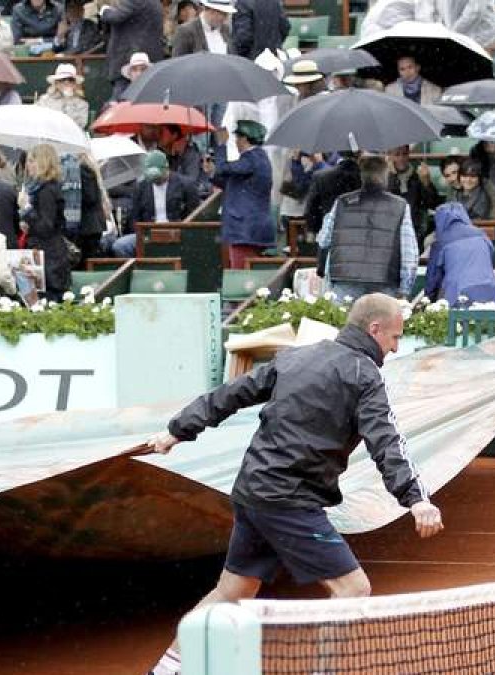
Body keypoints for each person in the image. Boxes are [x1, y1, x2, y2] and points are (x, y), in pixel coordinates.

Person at [141, 293, 443, 675]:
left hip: (253, 491)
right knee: (353, 590)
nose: (396, 347)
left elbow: (229, 394)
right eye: (395, 338)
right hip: (290, 501)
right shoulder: (364, 374)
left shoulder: (297, 356)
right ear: (374, 329)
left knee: (232, 593)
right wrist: (415, 499)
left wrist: (176, 431)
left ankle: (165, 672)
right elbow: (386, 441)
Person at [317, 155, 418, 299]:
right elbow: (409, 254)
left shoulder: (342, 202)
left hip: (345, 276)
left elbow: (324, 240)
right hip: (384, 280)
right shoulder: (400, 205)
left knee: (344, 321)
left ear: (362, 176)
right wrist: (405, 289)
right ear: (385, 175)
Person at [112, 150, 202, 256]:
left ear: (166, 169)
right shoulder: (141, 187)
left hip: (177, 232)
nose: (155, 180)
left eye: (158, 176)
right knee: (120, 246)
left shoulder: (186, 185)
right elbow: (135, 216)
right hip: (149, 232)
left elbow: (195, 214)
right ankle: (138, 270)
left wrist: (180, 230)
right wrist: (141, 234)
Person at [212, 120, 274, 269]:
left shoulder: (253, 158)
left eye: (237, 138)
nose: (236, 142)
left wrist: (221, 145)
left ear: (244, 139)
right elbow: (231, 184)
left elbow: (223, 169)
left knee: (241, 275)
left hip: (245, 229)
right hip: (248, 228)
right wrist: (211, 172)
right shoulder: (256, 159)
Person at [425, 202, 495, 306]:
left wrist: (427, 300)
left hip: (456, 295)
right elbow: (489, 258)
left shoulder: (441, 241)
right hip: (491, 292)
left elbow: (433, 277)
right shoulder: (481, 234)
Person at [20, 143, 72, 301]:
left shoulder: (47, 190)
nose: (27, 166)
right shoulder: (40, 188)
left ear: (41, 162)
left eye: (31, 161)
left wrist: (27, 208)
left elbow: (46, 226)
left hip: (49, 256)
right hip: (45, 252)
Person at [101, 0, 165, 99]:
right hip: (147, 62)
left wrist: (104, 10)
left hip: (130, 63)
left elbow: (115, 17)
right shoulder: (156, 3)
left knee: (120, 104)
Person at [386, 144, 442, 243]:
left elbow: (433, 204)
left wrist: (427, 183)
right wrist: (392, 177)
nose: (401, 158)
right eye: (397, 155)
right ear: (390, 156)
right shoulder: (385, 178)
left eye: (404, 154)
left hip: (414, 229)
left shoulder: (417, 176)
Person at [305, 151, 361, 236]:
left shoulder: (321, 176)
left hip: (330, 233)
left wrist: (318, 232)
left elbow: (311, 209)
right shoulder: (368, 178)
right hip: (360, 234)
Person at [37, 63, 90, 130]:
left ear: (75, 84)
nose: (66, 82)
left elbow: (80, 125)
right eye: (62, 79)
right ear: (56, 83)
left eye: (70, 80)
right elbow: (39, 121)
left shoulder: (82, 104)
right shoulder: (44, 100)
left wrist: (69, 101)